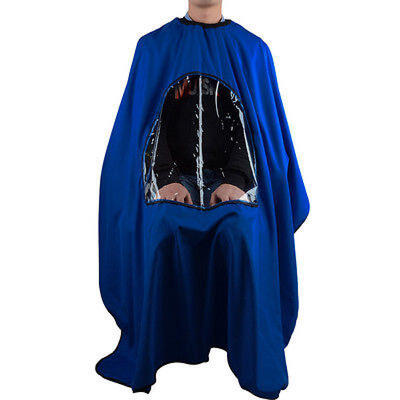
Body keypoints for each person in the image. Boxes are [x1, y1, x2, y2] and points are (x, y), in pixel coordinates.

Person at [97, 1, 310, 398]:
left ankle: (249, 354)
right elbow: (139, 131)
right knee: (161, 226)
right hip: (168, 184)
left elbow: (264, 136)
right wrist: (165, 179)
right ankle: (158, 347)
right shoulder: (153, 49)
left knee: (243, 229)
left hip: (235, 185)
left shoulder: (253, 51)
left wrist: (237, 179)